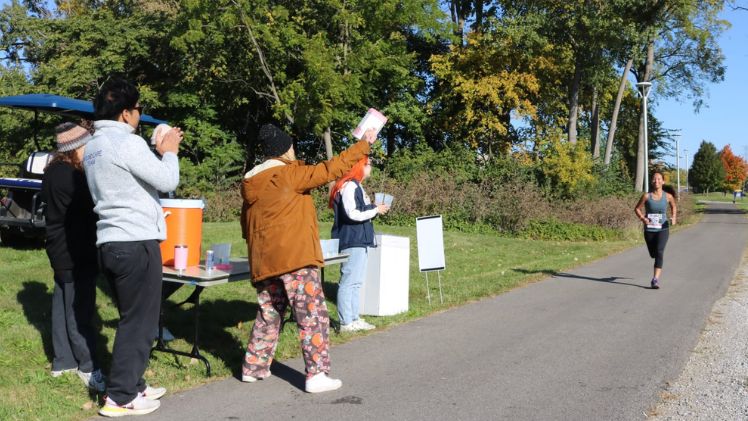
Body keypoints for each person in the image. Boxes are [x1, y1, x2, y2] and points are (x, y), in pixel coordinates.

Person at [240, 124, 378, 393]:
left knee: (269, 312)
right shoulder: (289, 174)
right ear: (283, 151)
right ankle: (316, 375)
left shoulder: (252, 184)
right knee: (312, 314)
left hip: (264, 260)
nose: (293, 150)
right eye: (290, 147)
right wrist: (363, 145)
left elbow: (246, 226)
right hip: (295, 259)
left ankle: (253, 367)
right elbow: (331, 169)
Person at [83, 78, 183, 417]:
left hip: (109, 241)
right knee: (139, 322)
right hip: (135, 240)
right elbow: (168, 180)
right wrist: (169, 153)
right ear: (125, 113)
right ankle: (120, 397)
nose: (140, 115)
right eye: (138, 109)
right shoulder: (126, 142)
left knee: (132, 317)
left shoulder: (93, 145)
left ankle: (134, 384)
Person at [41, 122, 105, 392]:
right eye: (86, 146)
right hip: (74, 248)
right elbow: (92, 208)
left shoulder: (53, 170)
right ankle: (88, 367)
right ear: (75, 148)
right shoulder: (73, 176)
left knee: (62, 302)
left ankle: (63, 360)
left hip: (59, 246)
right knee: (80, 309)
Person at [329, 157, 389, 332]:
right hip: (352, 239)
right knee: (349, 281)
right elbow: (352, 214)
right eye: (368, 164)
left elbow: (360, 211)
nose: (370, 167)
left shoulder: (356, 185)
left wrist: (373, 207)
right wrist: (375, 209)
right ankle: (346, 322)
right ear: (359, 166)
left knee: (356, 282)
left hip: (359, 239)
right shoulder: (350, 186)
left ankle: (353, 318)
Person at [634, 171, 678, 289]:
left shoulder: (668, 196)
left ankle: (655, 280)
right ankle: (654, 258)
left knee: (659, 252)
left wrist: (673, 217)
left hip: (663, 228)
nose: (656, 181)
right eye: (654, 179)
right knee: (653, 253)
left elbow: (673, 206)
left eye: (659, 179)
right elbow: (637, 209)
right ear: (652, 181)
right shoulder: (646, 196)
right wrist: (643, 218)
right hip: (649, 230)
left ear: (663, 181)